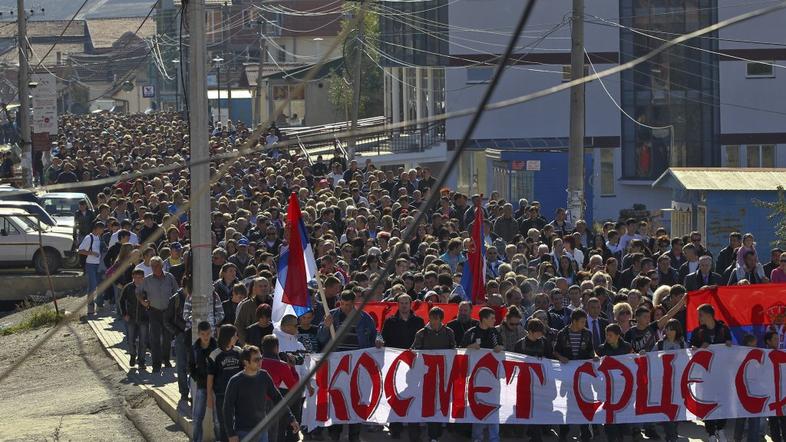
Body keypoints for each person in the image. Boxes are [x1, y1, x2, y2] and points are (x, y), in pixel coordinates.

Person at [318, 290, 378, 442]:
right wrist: (326, 327)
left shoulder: (364, 318)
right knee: (336, 399)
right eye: (342, 304)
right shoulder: (331, 316)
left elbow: (374, 334)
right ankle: (334, 434)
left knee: (355, 400)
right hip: (337, 366)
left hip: (357, 366)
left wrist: (379, 340)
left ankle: (354, 436)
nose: (344, 307)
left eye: (348, 305)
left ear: (354, 303)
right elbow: (320, 338)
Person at [224, 345, 299, 442]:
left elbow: (278, 398)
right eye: (256, 360)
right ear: (246, 362)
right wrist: (231, 434)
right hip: (244, 432)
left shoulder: (264, 376)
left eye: (261, 358)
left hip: (263, 431)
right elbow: (227, 409)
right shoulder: (235, 381)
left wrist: (291, 419)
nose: (260, 362)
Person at [460, 307, 504, 442]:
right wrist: (470, 347)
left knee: (494, 407)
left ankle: (494, 438)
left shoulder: (495, 333)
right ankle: (477, 438)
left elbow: (503, 348)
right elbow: (460, 350)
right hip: (476, 379)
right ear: (484, 319)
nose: (495, 320)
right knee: (478, 407)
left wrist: (500, 348)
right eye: (492, 318)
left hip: (493, 379)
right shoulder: (471, 332)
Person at [689, 304, 732, 442]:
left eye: (700, 315)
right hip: (705, 374)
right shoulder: (698, 332)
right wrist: (697, 348)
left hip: (722, 373)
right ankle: (711, 433)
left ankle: (721, 428)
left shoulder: (723, 329)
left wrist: (729, 344)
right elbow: (691, 349)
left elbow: (731, 347)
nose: (699, 318)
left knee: (723, 401)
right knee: (707, 401)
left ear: (708, 315)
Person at [553, 309, 595, 442]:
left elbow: (591, 351)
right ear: (574, 321)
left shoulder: (587, 334)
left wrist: (595, 358)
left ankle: (585, 433)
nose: (584, 324)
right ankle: (564, 433)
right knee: (566, 404)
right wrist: (561, 357)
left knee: (585, 402)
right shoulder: (562, 334)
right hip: (567, 375)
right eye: (582, 321)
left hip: (583, 376)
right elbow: (555, 351)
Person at [135, 256, 179, 373]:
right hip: (154, 311)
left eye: (157, 266)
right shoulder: (147, 280)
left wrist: (175, 306)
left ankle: (166, 359)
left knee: (167, 338)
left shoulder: (169, 277)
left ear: (162, 266)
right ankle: (156, 364)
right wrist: (142, 301)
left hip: (168, 312)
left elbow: (177, 291)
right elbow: (138, 291)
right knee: (155, 339)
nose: (154, 268)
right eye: (152, 266)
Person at [260, 334, 301, 442]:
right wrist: (292, 368)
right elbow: (293, 386)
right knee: (272, 435)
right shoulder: (281, 365)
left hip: (253, 401)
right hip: (271, 402)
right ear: (276, 348)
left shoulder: (256, 362)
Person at [596, 324, 632, 442]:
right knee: (609, 416)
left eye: (610, 335)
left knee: (621, 415)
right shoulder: (601, 349)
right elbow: (596, 362)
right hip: (607, 388)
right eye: (606, 334)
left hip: (623, 387)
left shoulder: (627, 347)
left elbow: (634, 359)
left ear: (617, 336)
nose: (607, 337)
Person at [208, 324, 243, 442]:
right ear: (228, 337)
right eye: (235, 335)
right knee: (224, 425)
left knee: (239, 423)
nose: (237, 338)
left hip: (239, 395)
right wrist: (209, 396)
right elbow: (210, 377)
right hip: (222, 395)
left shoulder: (239, 351)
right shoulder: (215, 354)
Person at [190, 321, 219, 442]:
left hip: (216, 387)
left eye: (208, 333)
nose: (206, 337)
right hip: (202, 385)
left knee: (217, 420)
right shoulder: (195, 349)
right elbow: (190, 366)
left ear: (211, 333)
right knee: (197, 418)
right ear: (198, 334)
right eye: (203, 334)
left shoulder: (216, 347)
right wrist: (198, 378)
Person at [166, 274, 191, 403]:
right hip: (181, 336)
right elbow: (166, 320)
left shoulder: (196, 298)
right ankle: (184, 392)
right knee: (181, 365)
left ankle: (193, 391)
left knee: (193, 365)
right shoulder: (175, 299)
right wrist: (177, 332)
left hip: (194, 335)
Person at [733, 334, 762, 442]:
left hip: (754, 392)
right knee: (742, 418)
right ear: (748, 344)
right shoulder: (739, 356)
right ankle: (738, 439)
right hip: (744, 392)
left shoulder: (758, 355)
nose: (756, 346)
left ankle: (751, 439)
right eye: (753, 345)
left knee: (753, 419)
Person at [118, 268, 148, 369]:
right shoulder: (128, 287)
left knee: (143, 341)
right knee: (131, 339)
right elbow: (121, 301)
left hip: (144, 318)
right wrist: (124, 314)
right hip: (131, 317)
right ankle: (132, 354)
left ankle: (141, 361)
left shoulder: (147, 288)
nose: (137, 280)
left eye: (140, 277)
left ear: (143, 278)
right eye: (135, 277)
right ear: (132, 277)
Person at [79, 221, 105, 316]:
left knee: (100, 285)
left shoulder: (98, 237)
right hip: (90, 265)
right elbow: (80, 250)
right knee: (92, 287)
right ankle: (90, 308)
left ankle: (99, 305)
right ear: (97, 228)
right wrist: (92, 253)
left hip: (99, 265)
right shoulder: (88, 238)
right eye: (101, 229)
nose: (102, 231)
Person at [765, 330, 786, 442]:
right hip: (771, 395)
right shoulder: (763, 356)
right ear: (768, 341)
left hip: (782, 394)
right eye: (775, 339)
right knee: (773, 421)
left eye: (778, 339)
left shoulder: (782, 354)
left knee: (784, 419)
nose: (777, 341)